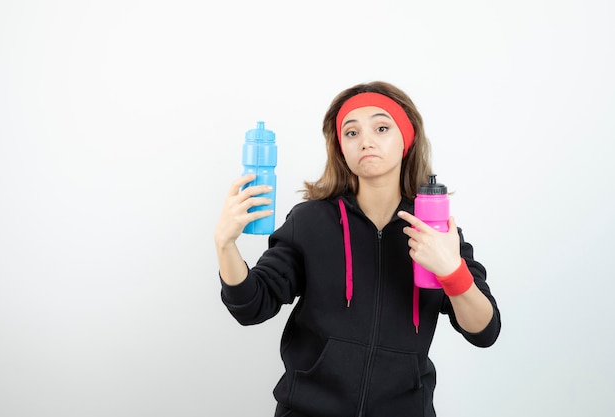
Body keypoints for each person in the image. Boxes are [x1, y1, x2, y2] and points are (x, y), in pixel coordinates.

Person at [214, 81, 501, 417]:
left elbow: (485, 330)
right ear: (340, 148)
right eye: (351, 133)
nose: (365, 141)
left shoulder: (436, 233)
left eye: (381, 128)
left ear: (406, 139)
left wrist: (452, 272)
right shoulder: (309, 221)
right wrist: (225, 244)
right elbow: (252, 306)